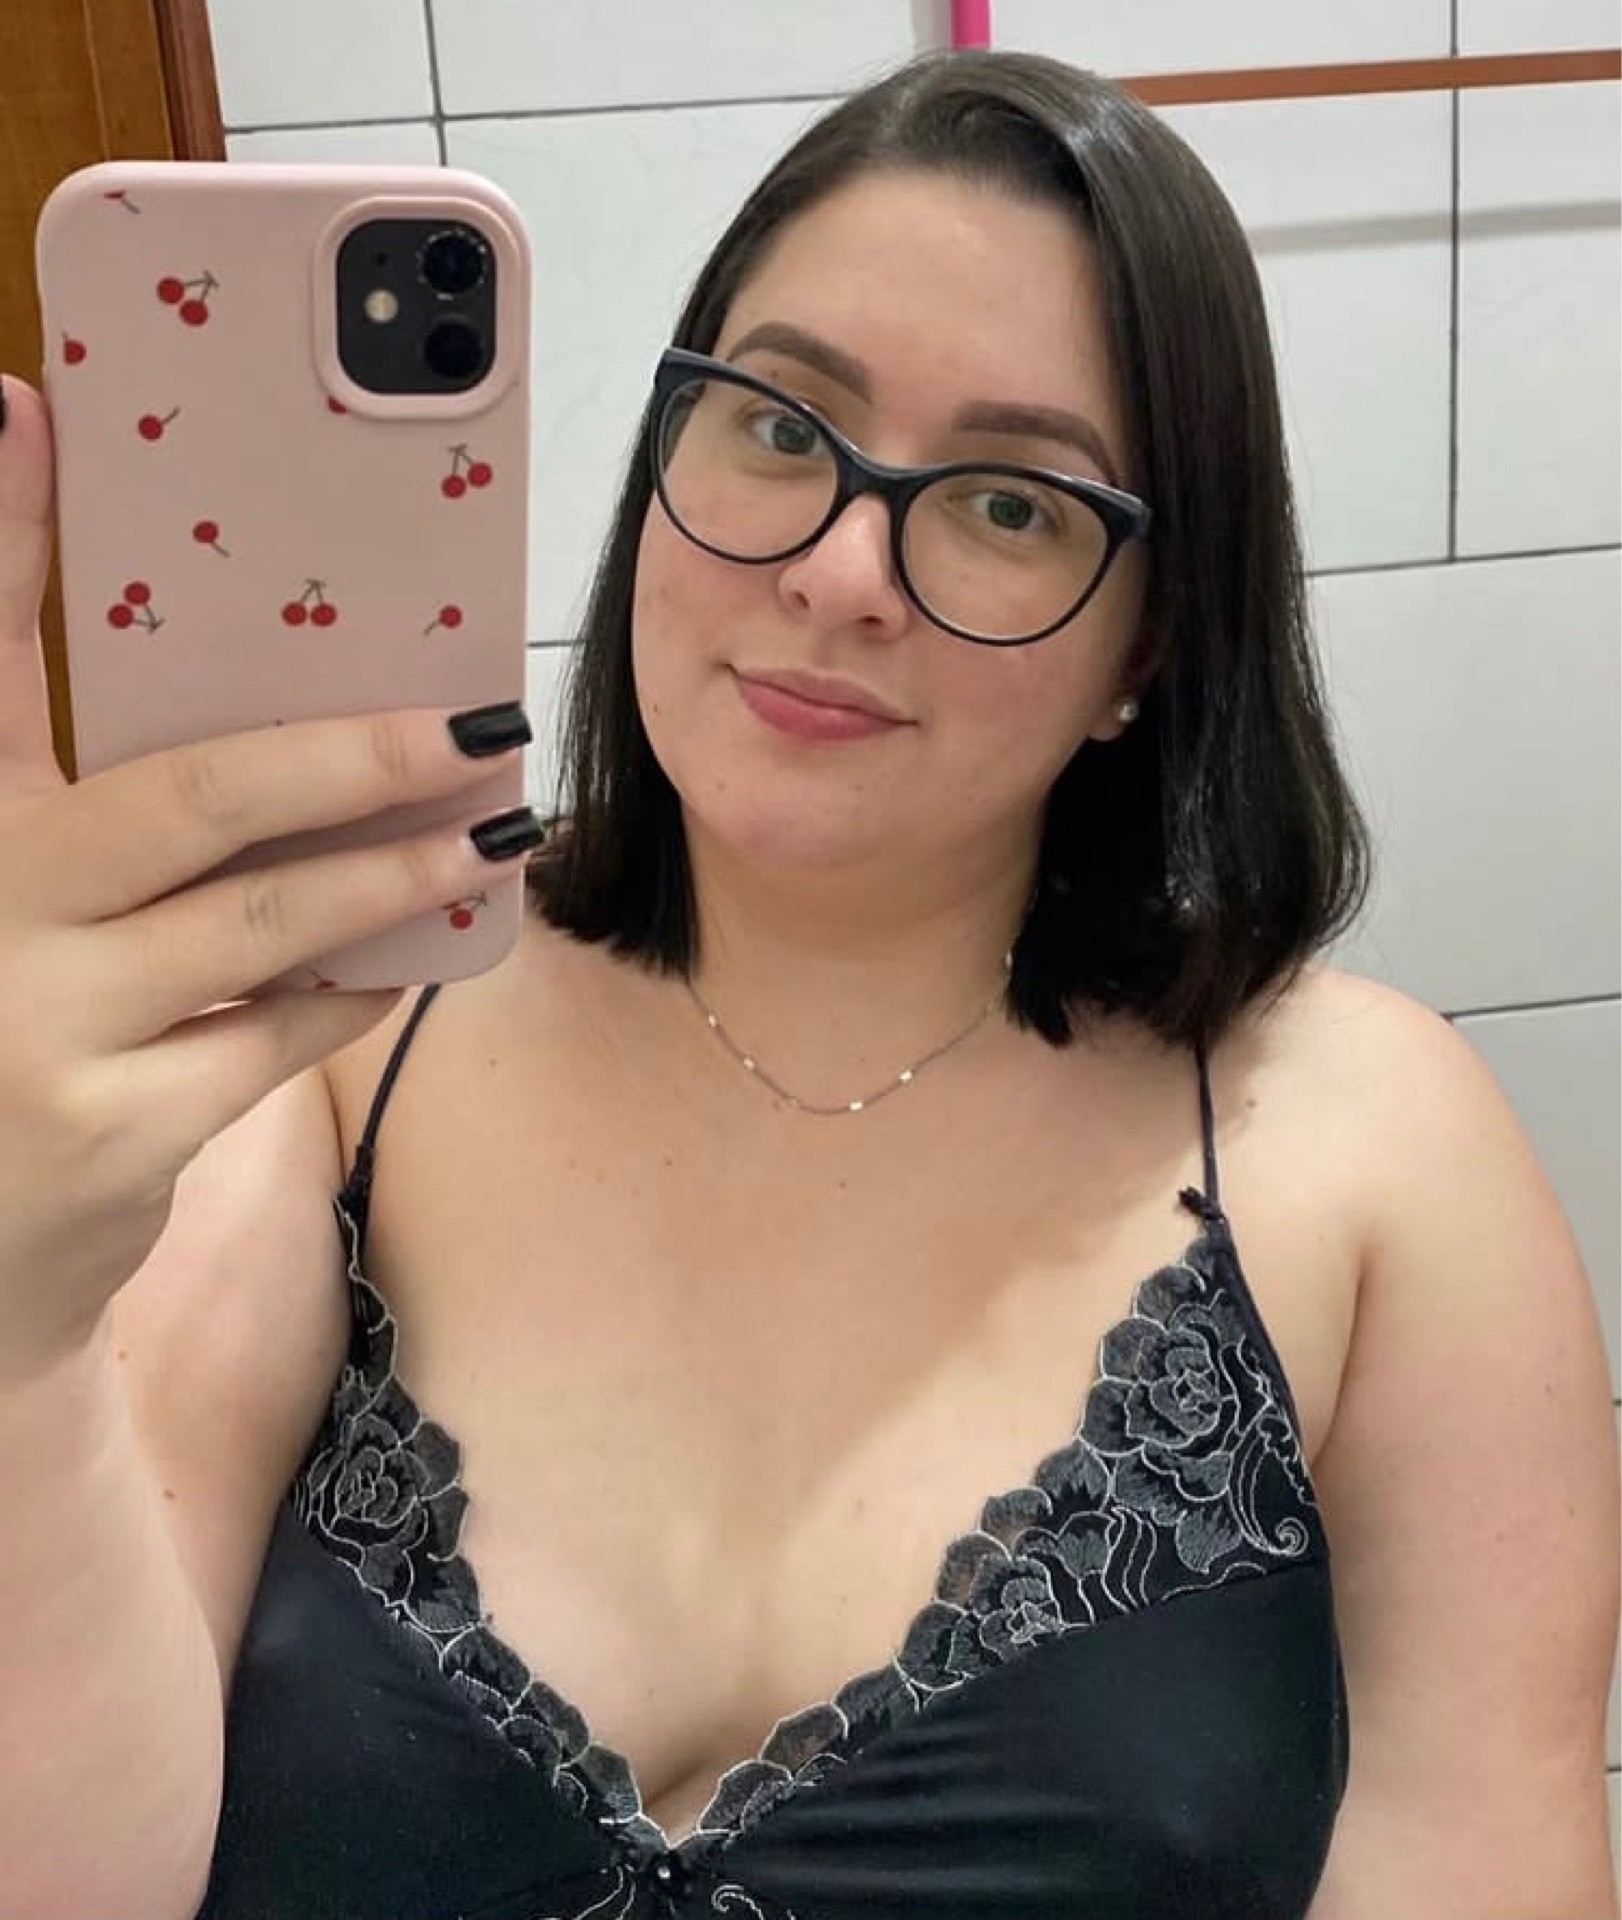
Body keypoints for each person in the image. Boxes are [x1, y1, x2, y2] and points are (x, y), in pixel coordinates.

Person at [0, 47, 1615, 1920]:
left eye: (1008, 505)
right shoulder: (316, 1055)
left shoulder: (1371, 1151)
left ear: (1147, 647)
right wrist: (18, 1328)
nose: (844, 570)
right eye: (778, 424)